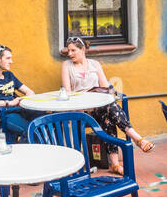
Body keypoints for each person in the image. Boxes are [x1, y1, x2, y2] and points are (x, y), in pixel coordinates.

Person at [60, 34, 154, 175]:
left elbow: (105, 87)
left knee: (108, 114)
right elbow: (68, 92)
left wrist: (103, 96)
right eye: (69, 51)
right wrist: (87, 100)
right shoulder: (66, 66)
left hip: (99, 106)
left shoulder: (94, 64)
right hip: (80, 109)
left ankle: (115, 164)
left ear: (83, 50)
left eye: (73, 50)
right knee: (108, 111)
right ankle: (136, 138)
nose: (70, 53)